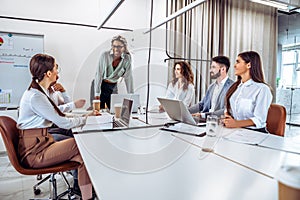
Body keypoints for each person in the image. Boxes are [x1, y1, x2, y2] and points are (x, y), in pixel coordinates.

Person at [17, 53, 99, 200]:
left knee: (83, 157)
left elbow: (57, 112)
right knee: (80, 144)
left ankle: (86, 196)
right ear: (48, 73)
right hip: (35, 152)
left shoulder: (40, 93)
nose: (57, 72)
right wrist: (86, 118)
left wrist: (80, 116)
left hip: (42, 143)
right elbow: (62, 122)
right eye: (56, 68)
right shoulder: (36, 96)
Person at [223, 51, 273, 132]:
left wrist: (236, 123)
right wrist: (227, 117)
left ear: (248, 65)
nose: (234, 66)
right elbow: (227, 108)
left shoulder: (262, 89)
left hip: (254, 133)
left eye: (238, 62)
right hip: (236, 131)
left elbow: (259, 119)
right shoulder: (235, 87)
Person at [94, 35, 133, 110]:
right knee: (99, 111)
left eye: (119, 47)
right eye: (114, 46)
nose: (116, 49)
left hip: (113, 86)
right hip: (101, 84)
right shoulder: (105, 55)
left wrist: (131, 95)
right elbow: (98, 74)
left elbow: (128, 78)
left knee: (114, 110)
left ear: (124, 47)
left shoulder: (127, 58)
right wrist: (97, 93)